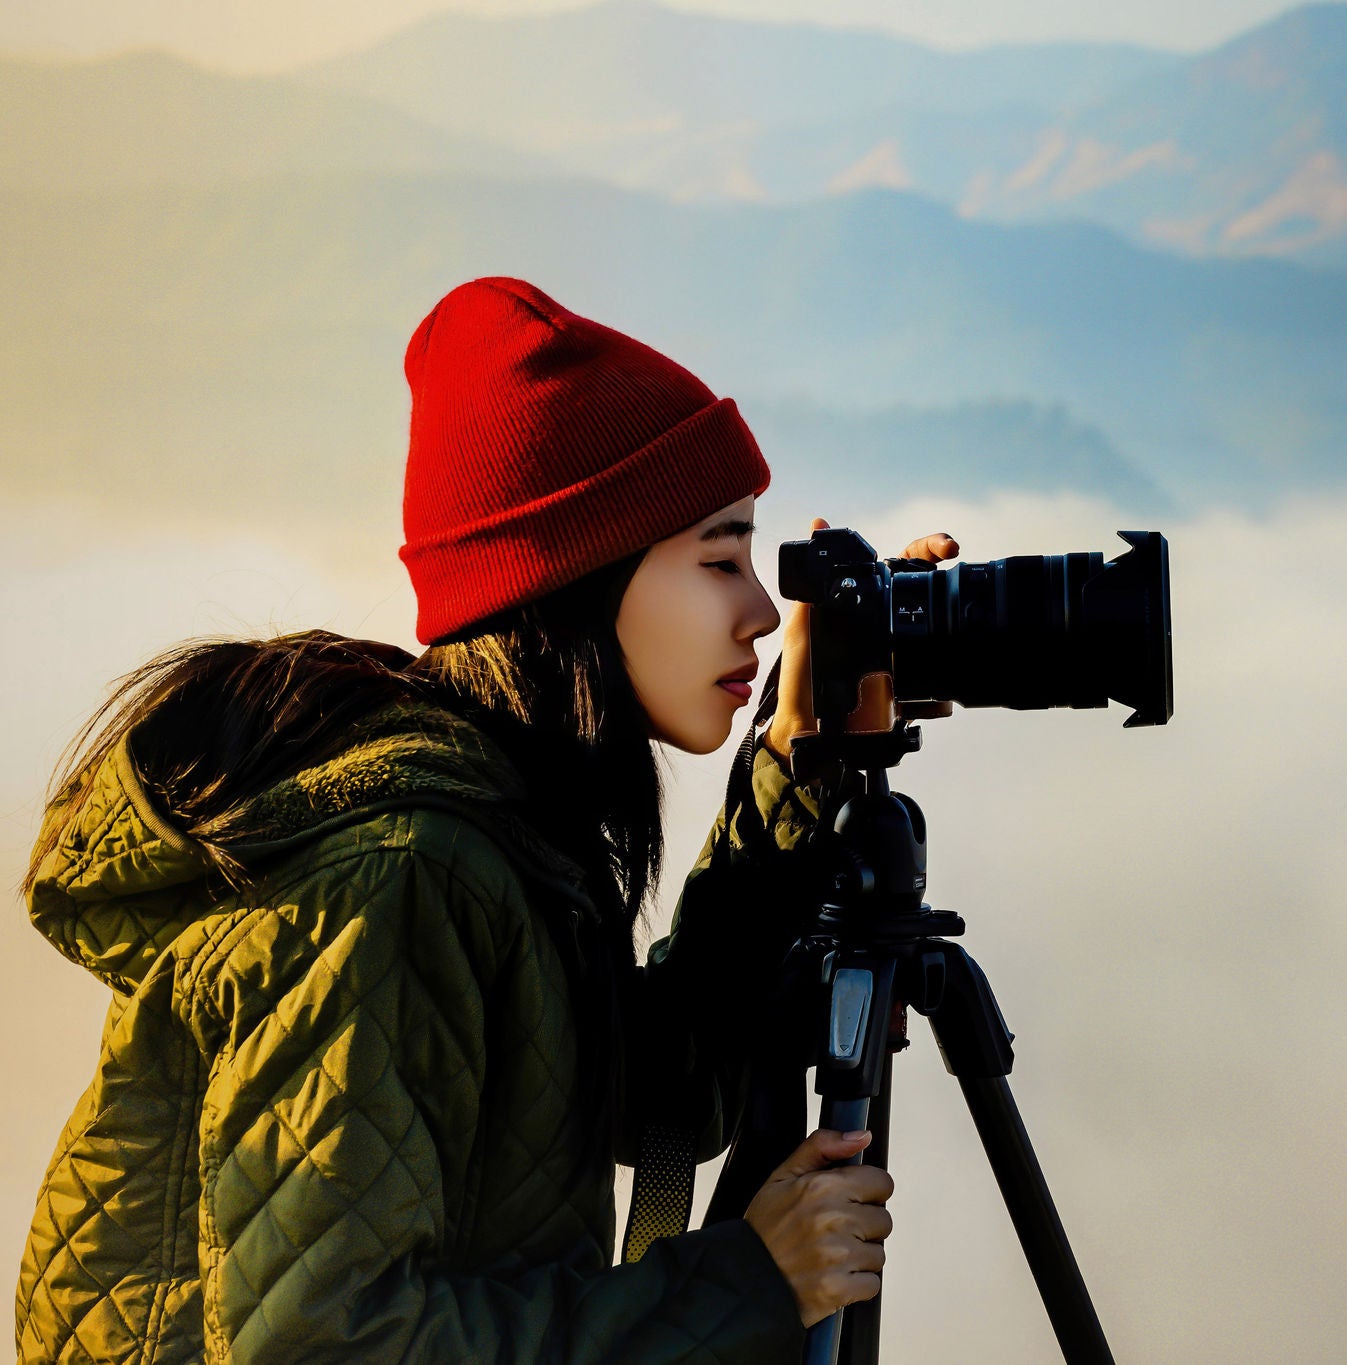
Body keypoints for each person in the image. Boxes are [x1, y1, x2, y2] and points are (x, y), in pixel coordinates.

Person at [14, 277, 960, 1363]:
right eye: (717, 560)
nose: (757, 610)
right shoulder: (399, 876)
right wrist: (739, 1284)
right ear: (573, 579)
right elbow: (324, 1344)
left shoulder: (505, 828)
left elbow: (649, 1099)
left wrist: (798, 765)